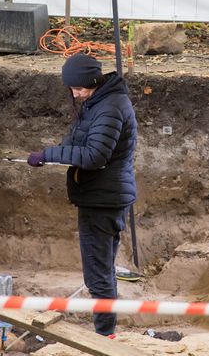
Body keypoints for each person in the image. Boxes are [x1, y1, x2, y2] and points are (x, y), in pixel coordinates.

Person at [27, 53, 137, 336]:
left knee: (97, 276)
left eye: (79, 88)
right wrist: (57, 152)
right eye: (72, 89)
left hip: (102, 200)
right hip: (102, 196)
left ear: (93, 81)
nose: (75, 94)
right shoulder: (98, 102)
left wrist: (48, 154)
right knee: (103, 269)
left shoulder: (110, 107)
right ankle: (107, 332)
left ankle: (104, 336)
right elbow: (80, 141)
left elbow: (94, 155)